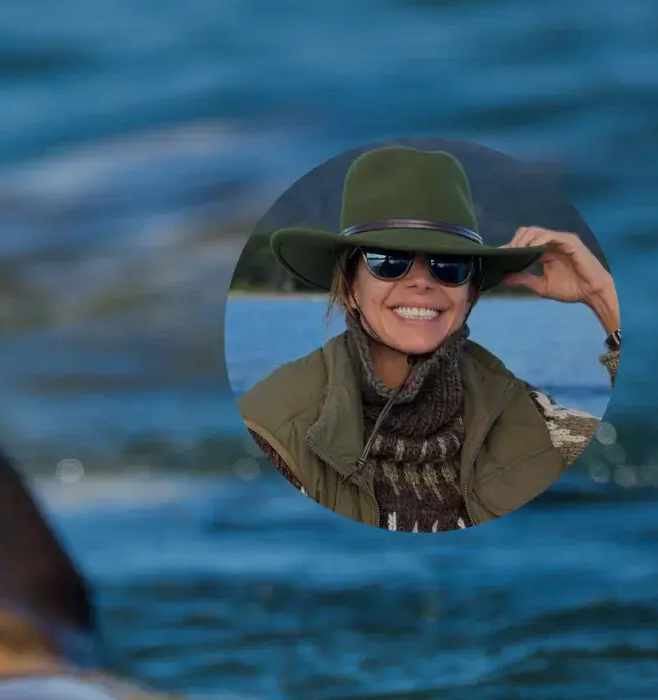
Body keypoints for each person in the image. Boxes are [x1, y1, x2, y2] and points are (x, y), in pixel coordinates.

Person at [236, 145, 621, 532]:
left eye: (449, 264)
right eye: (389, 261)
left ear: (470, 291)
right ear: (350, 285)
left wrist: (604, 299)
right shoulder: (271, 430)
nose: (421, 281)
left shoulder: (541, 426)